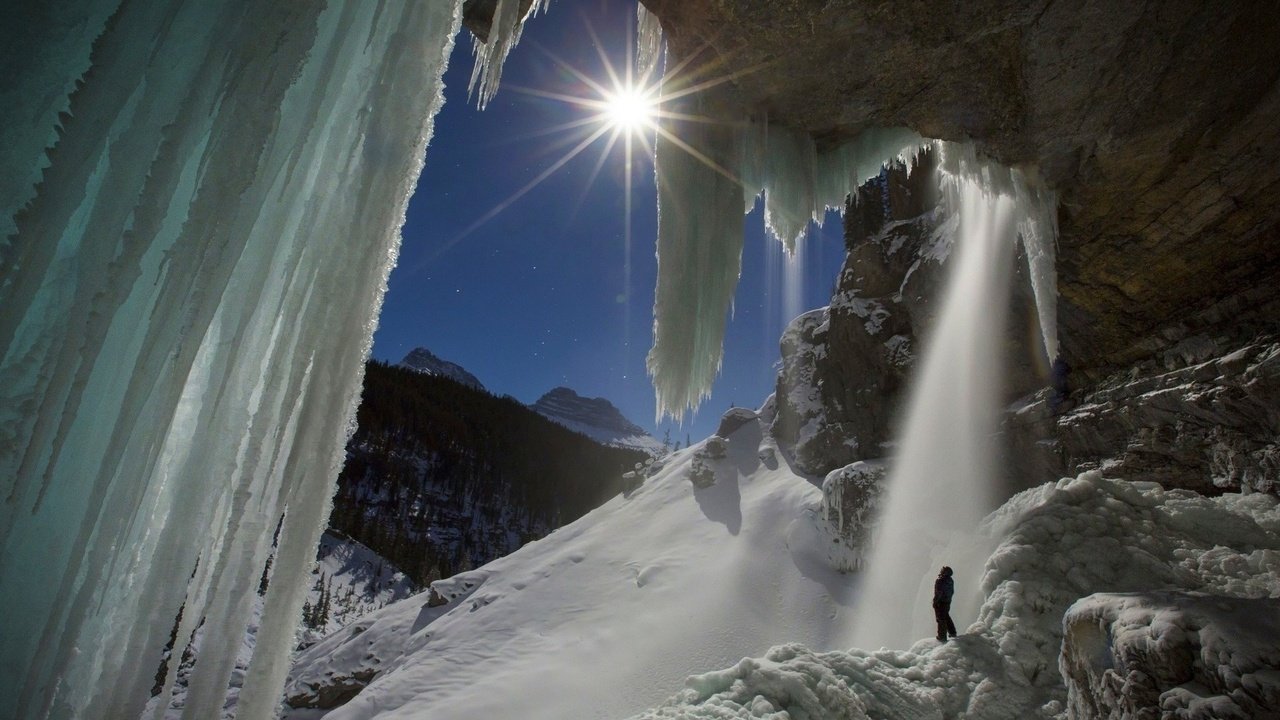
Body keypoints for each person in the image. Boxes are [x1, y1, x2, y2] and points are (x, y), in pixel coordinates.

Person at [933, 566, 957, 642]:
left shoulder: (940, 580)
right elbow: (952, 592)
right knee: (946, 616)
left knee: (940, 619)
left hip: (940, 602)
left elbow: (939, 593)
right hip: (947, 602)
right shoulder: (950, 580)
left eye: (942, 570)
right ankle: (952, 632)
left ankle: (942, 636)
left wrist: (935, 602)